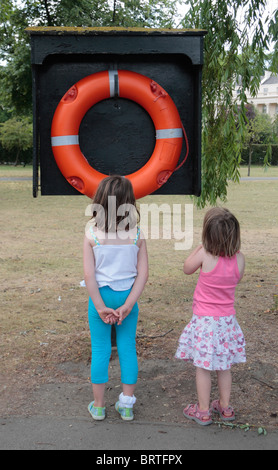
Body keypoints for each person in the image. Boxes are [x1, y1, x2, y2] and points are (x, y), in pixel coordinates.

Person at [83, 175, 148, 421]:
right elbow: (143, 274)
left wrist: (100, 307)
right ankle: (126, 405)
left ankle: (99, 406)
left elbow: (89, 275)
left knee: (100, 349)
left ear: (99, 201)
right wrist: (129, 304)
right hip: (127, 298)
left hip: (101, 298)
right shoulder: (137, 234)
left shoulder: (91, 233)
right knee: (127, 348)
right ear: (130, 203)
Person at [175, 207, 246, 425]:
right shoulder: (240, 259)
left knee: (203, 367)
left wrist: (197, 249)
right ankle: (225, 408)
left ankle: (203, 410)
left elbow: (187, 268)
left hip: (205, 322)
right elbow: (237, 279)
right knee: (224, 366)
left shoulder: (205, 255)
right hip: (227, 322)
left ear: (207, 235)